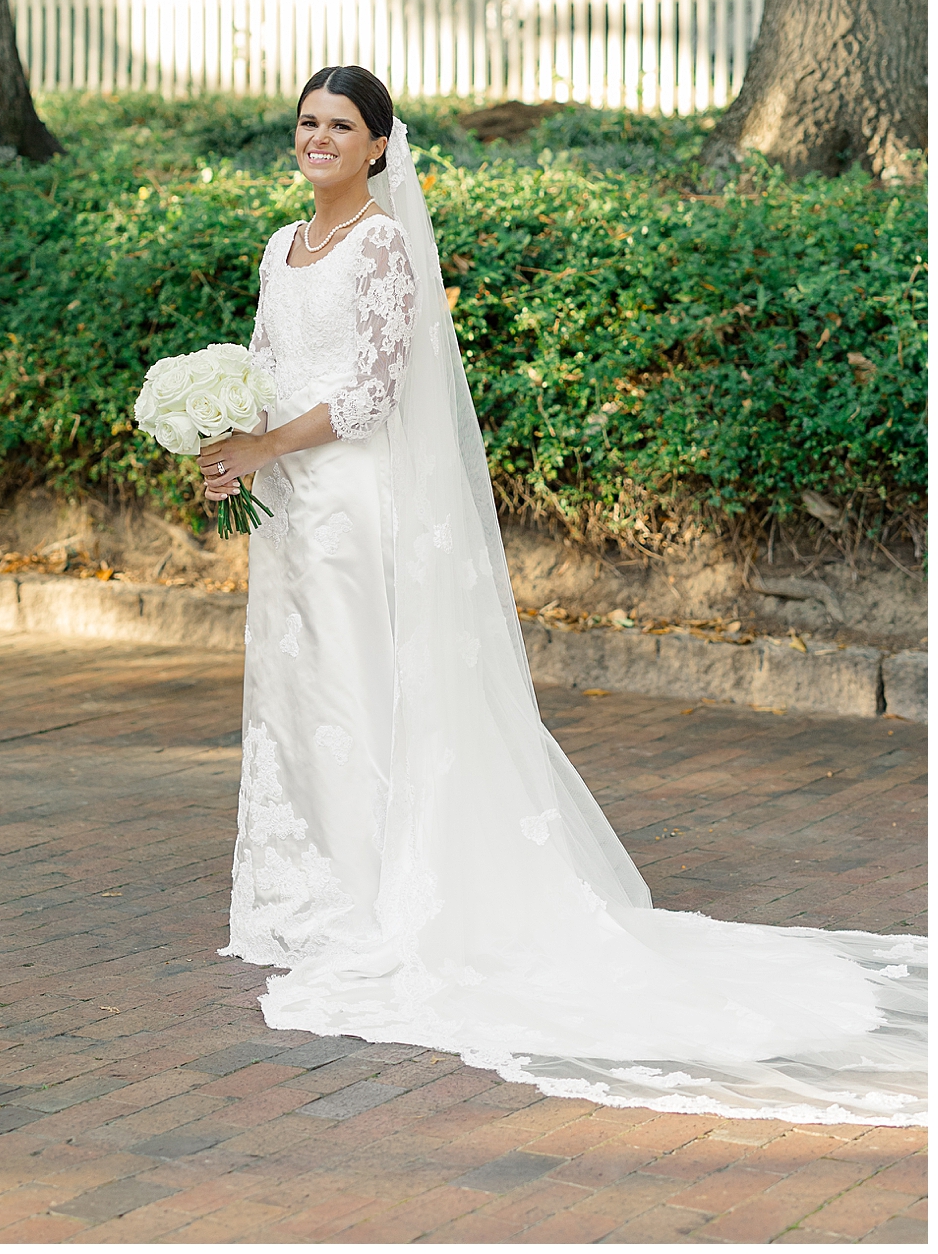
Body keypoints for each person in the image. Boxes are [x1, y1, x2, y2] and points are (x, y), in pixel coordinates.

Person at [195, 65, 926, 1126]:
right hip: (293, 507)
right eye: (308, 122)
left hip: (357, 503)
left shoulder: (383, 246)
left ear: (379, 145)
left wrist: (269, 444)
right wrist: (231, 443)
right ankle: (309, 893)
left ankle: (380, 900)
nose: (319, 138)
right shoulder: (281, 246)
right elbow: (269, 364)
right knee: (301, 690)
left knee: (364, 687)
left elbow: (372, 392)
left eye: (340, 125)